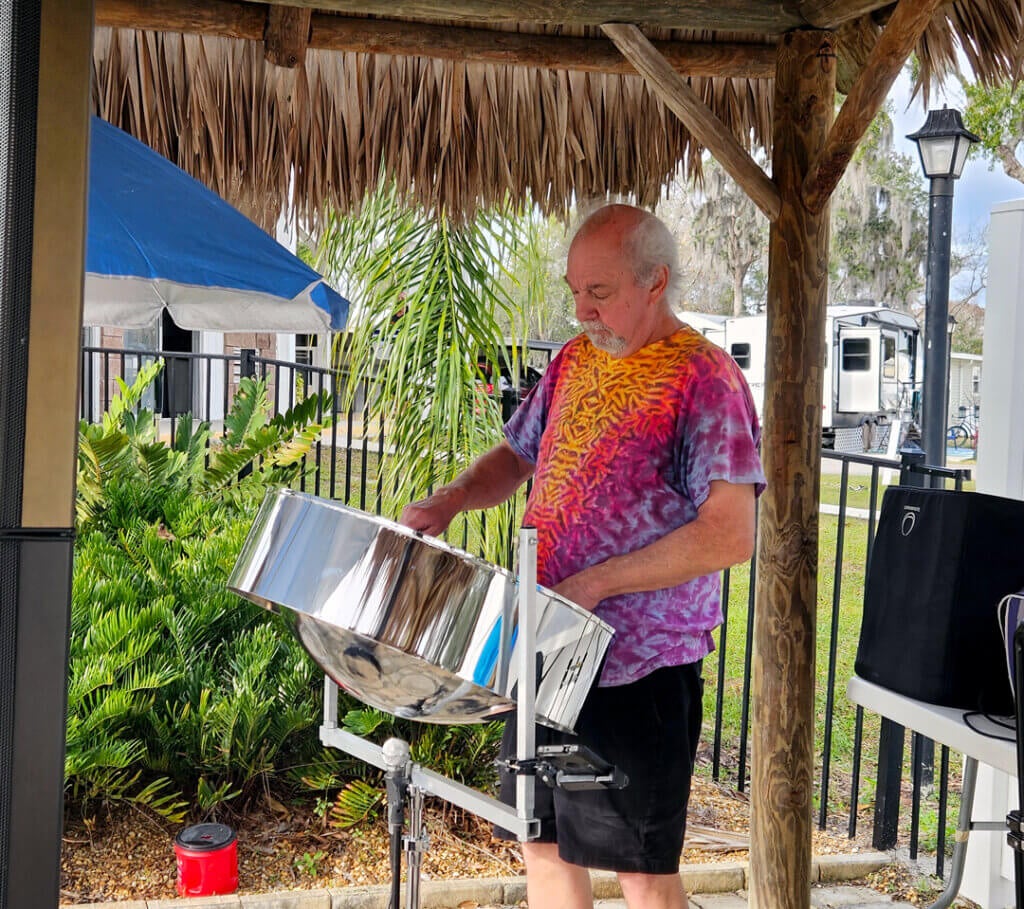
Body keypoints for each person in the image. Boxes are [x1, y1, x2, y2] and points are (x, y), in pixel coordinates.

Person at [400, 203, 766, 909]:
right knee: (540, 841)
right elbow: (516, 454)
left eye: (598, 292)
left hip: (638, 665)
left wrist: (596, 582)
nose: (580, 309)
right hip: (545, 650)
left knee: (640, 869)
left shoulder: (704, 379)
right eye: (574, 290)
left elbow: (730, 533)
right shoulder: (574, 359)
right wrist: (449, 498)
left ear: (655, 280)